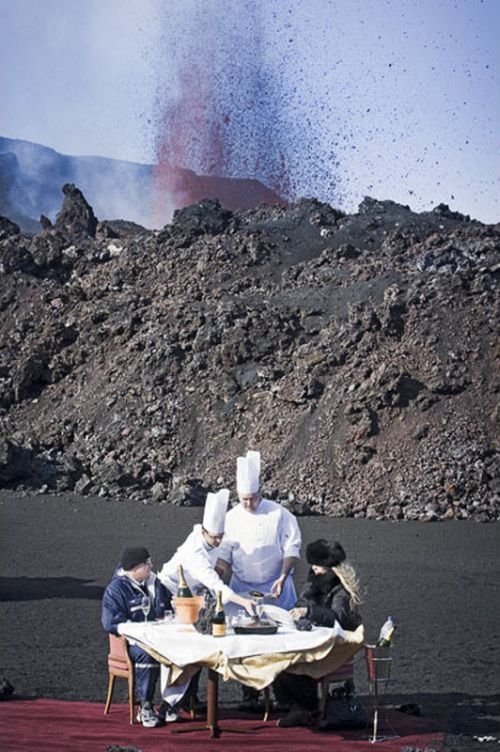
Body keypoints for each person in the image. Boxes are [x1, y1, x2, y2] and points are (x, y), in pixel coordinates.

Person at [216, 450, 302, 710]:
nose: (249, 504)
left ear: (260, 493)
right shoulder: (230, 518)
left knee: (280, 641)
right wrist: (217, 584)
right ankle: (250, 692)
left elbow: (291, 547)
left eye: (252, 499)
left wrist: (283, 576)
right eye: (243, 499)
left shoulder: (279, 514)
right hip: (242, 586)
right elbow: (224, 557)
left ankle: (283, 694)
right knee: (245, 640)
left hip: (276, 586)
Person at [273, 539, 362, 727]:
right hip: (312, 637)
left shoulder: (341, 591)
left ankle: (305, 707)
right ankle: (297, 705)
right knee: (279, 659)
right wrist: (300, 617)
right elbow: (302, 603)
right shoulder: (313, 582)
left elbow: (339, 617)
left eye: (318, 566)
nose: (314, 569)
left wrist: (309, 613)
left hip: (334, 646)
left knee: (293, 662)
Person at [101, 545, 178, 728]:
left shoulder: (156, 584)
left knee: (185, 652)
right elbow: (110, 623)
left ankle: (172, 704)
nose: (151, 566)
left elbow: (168, 608)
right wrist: (137, 631)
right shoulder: (116, 590)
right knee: (147, 653)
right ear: (135, 568)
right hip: (132, 644)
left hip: (160, 637)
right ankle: (146, 706)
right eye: (147, 563)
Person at [158, 489, 255, 616]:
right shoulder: (195, 552)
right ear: (203, 532)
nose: (219, 540)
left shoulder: (214, 539)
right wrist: (243, 602)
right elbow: (213, 582)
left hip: (192, 591)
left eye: (221, 536)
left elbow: (230, 544)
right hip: (169, 590)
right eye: (215, 537)